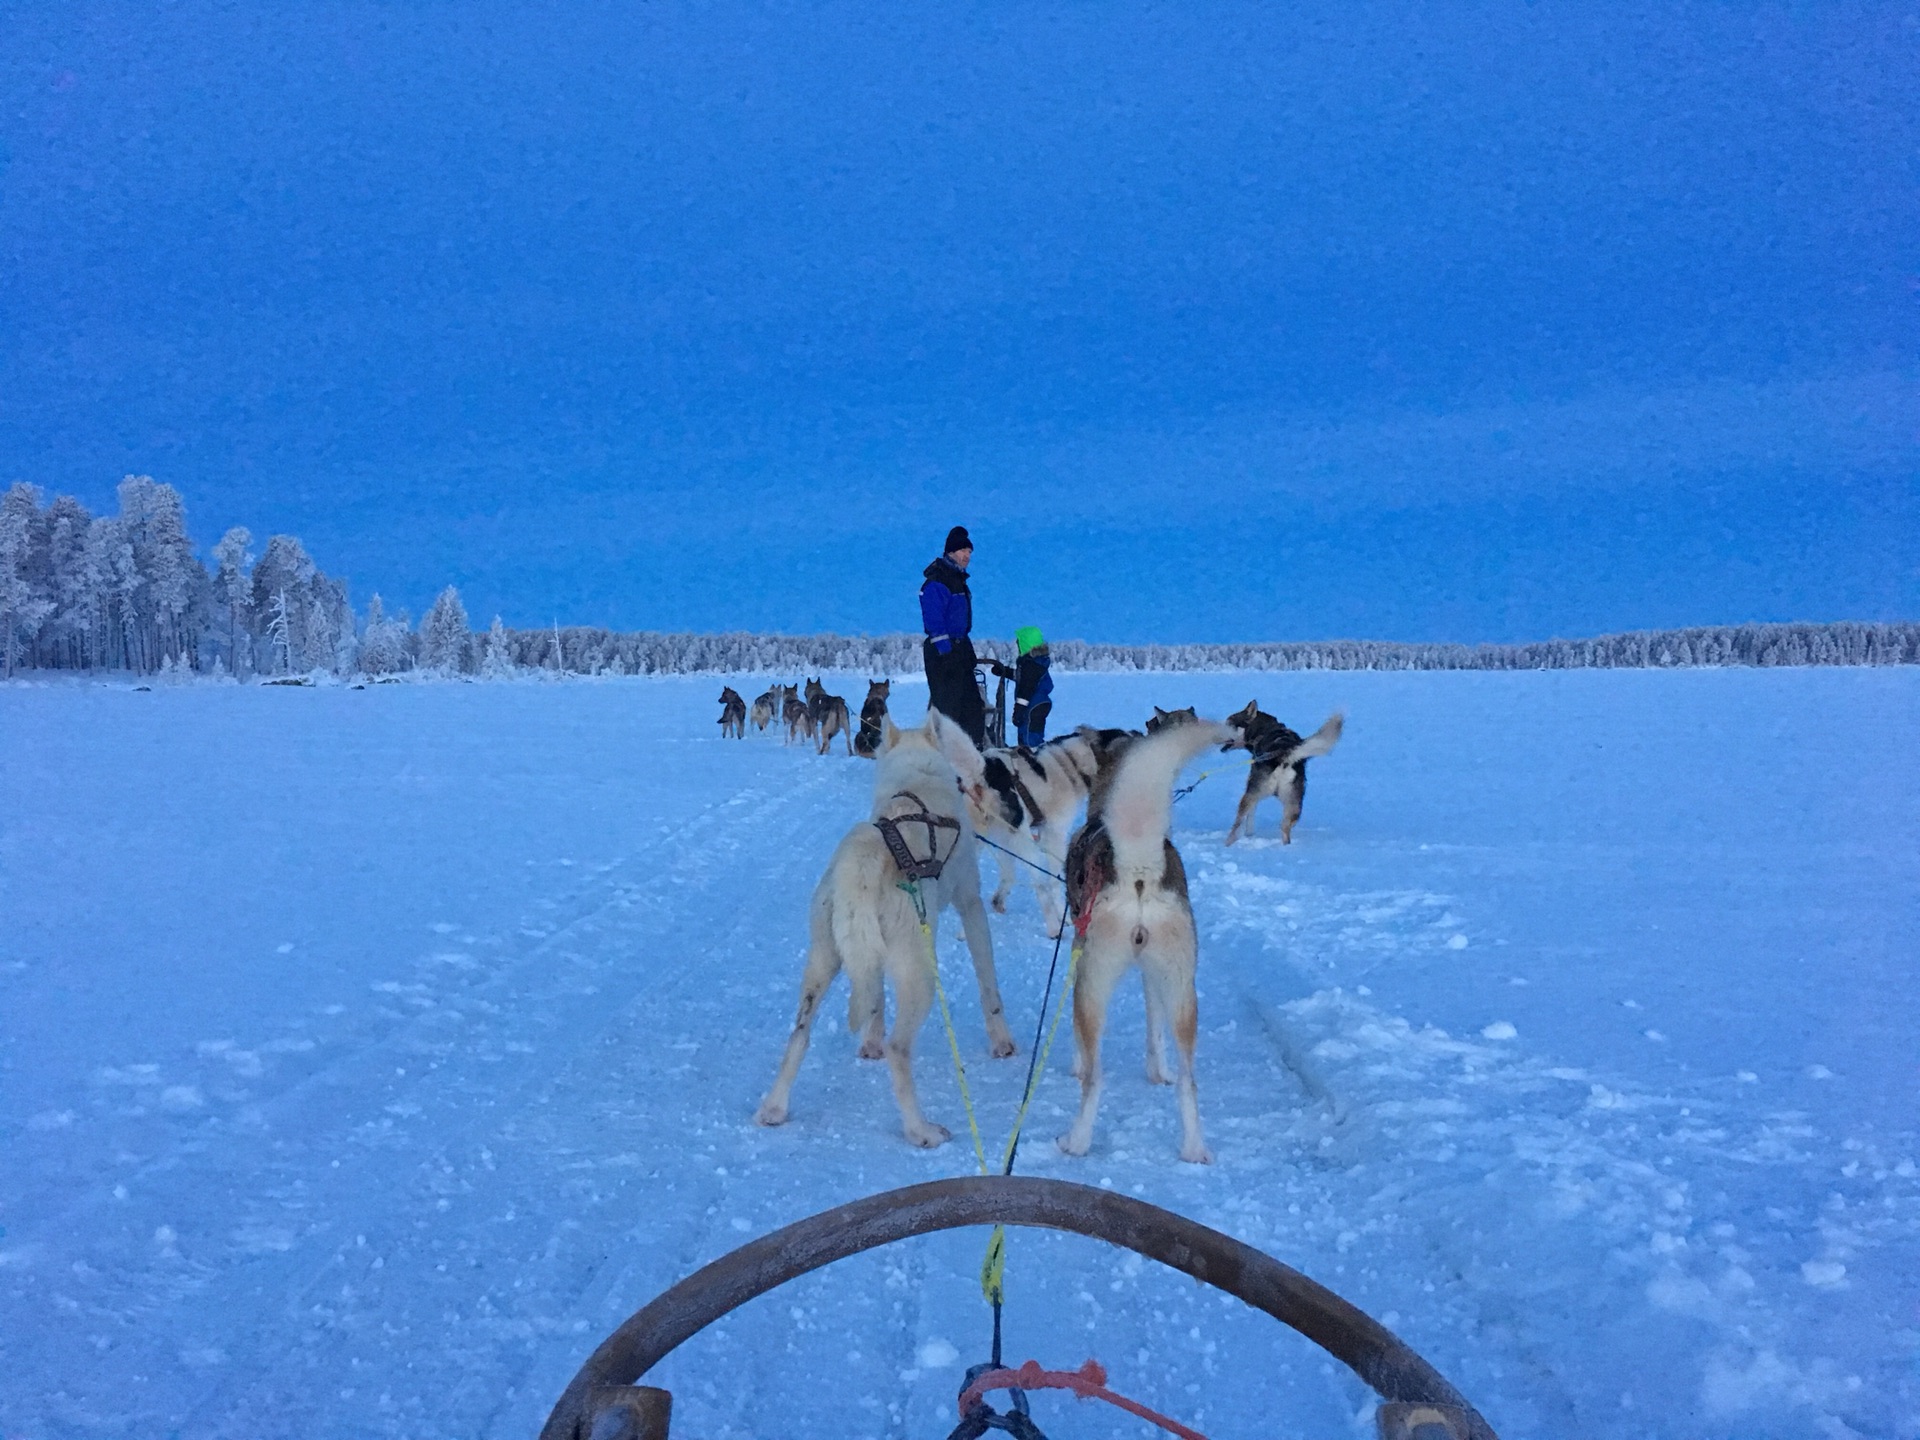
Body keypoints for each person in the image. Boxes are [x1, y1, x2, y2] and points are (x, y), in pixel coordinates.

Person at [919, 526, 986, 745]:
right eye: (963, 551)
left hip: (960, 650)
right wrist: (946, 653)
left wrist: (965, 652)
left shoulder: (958, 580)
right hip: (943, 655)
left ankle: (972, 758)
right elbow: (934, 622)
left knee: (972, 710)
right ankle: (943, 762)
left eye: (969, 552)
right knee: (949, 712)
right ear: (950, 552)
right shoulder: (937, 582)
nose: (967, 556)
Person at [1011, 625, 1053, 747]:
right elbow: (1024, 679)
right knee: (1034, 734)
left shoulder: (1030, 665)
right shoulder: (1036, 663)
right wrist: (1005, 671)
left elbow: (1026, 689)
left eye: (1019, 643)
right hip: (1040, 703)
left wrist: (1018, 710)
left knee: (1029, 739)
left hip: (1033, 705)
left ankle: (1033, 759)